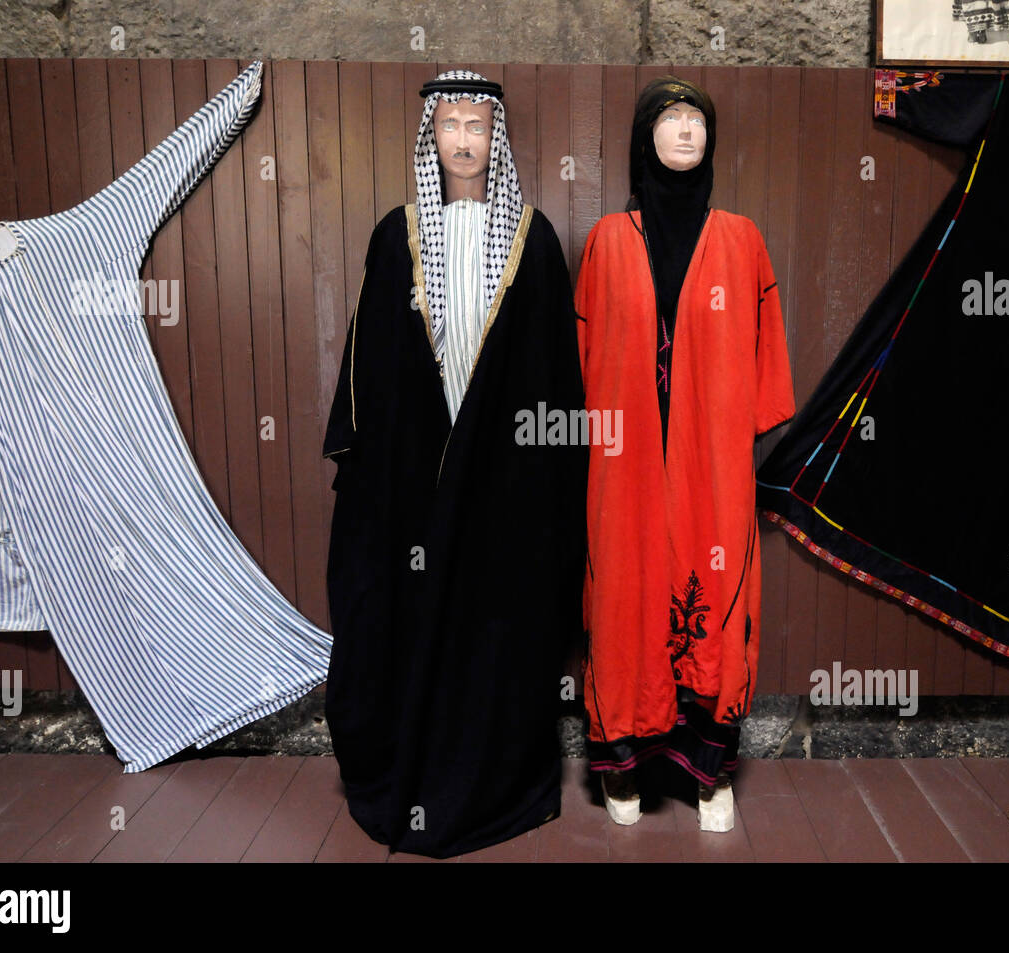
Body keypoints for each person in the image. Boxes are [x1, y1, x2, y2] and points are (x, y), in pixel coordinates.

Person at [322, 70, 587, 858]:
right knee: (409, 619)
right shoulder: (393, 235)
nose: (465, 140)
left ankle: (493, 779)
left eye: (478, 125)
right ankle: (414, 770)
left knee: (494, 623)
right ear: (431, 137)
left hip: (504, 485)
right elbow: (371, 372)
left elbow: (552, 378)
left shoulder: (532, 239)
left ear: (496, 137)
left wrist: (540, 474)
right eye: (451, 126)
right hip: (414, 483)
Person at [574, 76, 795, 831]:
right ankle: (623, 766)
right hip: (624, 463)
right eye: (669, 118)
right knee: (624, 594)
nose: (685, 130)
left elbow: (766, 366)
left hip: (712, 460)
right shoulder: (607, 241)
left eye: (696, 118)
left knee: (714, 594)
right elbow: (581, 358)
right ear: (645, 138)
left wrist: (730, 432)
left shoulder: (742, 239)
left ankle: (709, 773)